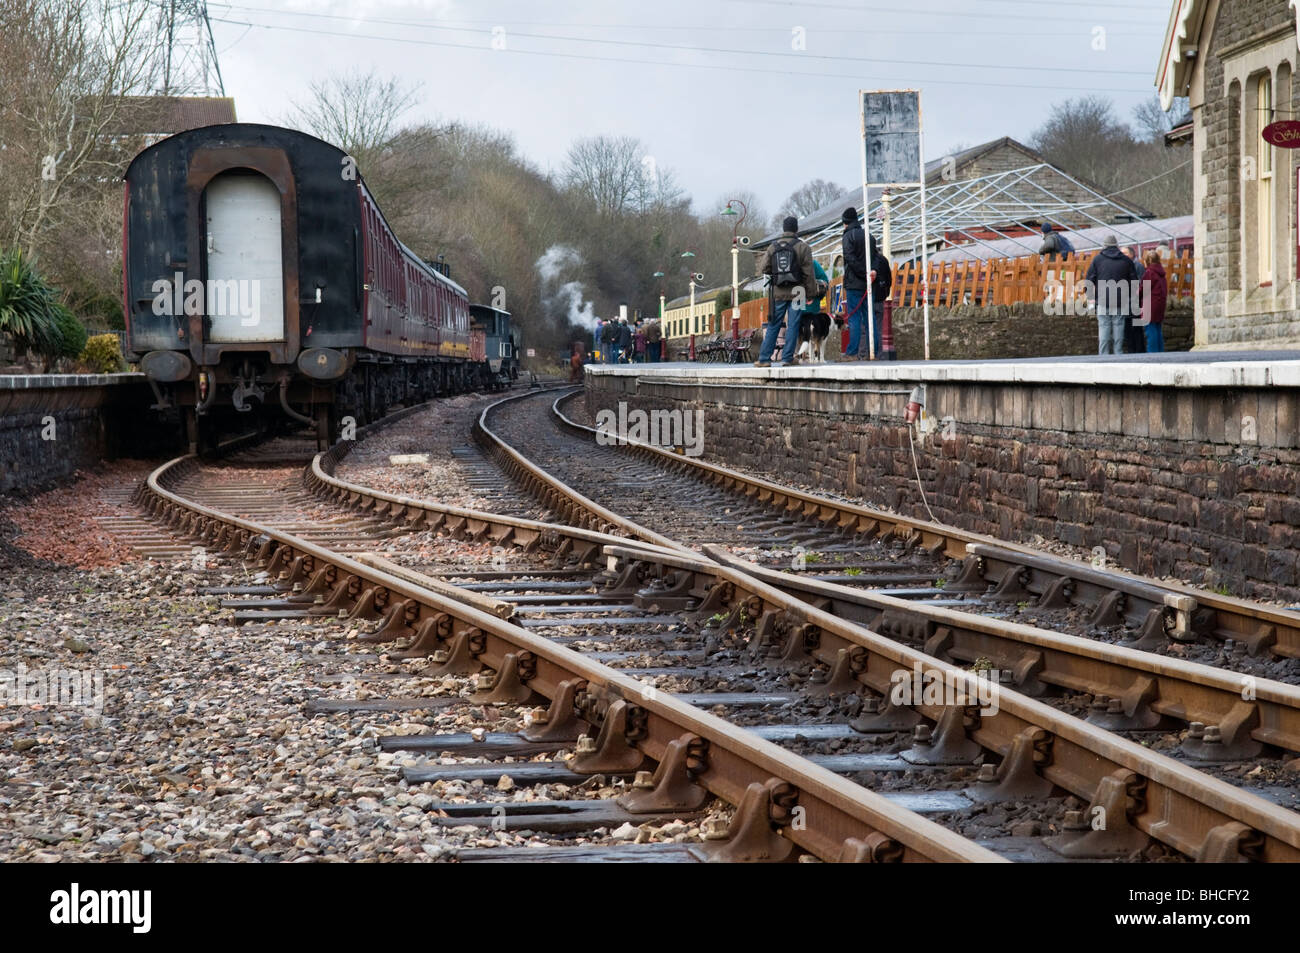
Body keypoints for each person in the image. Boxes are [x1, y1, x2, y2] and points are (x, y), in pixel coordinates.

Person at [755, 215, 819, 367]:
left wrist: (777, 275)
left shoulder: (773, 247)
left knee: (774, 324)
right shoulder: (803, 247)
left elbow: (764, 268)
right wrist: (811, 294)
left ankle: (764, 359)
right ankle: (788, 358)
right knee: (793, 324)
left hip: (778, 291)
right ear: (796, 229)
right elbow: (809, 273)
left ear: (783, 229)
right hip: (798, 290)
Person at [1085, 235, 1136, 355]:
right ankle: (1118, 355)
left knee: (1104, 328)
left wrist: (1090, 297)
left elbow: (1089, 280)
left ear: (1104, 246)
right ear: (1117, 246)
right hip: (1120, 300)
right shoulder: (1126, 260)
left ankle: (1103, 356)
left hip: (1103, 300)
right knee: (1119, 327)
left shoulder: (1097, 260)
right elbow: (1134, 281)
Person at [839, 207, 868, 361]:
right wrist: (867, 274)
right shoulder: (867, 235)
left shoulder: (848, 236)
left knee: (854, 318)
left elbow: (849, 258)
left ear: (845, 222)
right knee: (868, 318)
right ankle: (872, 351)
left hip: (854, 282)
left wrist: (860, 272)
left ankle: (852, 352)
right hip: (867, 283)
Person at [868, 233, 892, 358]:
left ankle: (867, 353)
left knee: (865, 327)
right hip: (880, 297)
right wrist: (885, 293)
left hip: (869, 297)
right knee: (879, 327)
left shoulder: (867, 260)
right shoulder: (883, 260)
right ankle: (879, 354)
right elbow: (889, 279)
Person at [1141, 249, 1167, 353]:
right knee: (1157, 329)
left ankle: (1152, 353)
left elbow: (1144, 289)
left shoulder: (1149, 273)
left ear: (1147, 261)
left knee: (1150, 330)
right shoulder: (1162, 273)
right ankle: (1160, 351)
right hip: (1160, 304)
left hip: (1150, 304)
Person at [1124, 246, 1146, 354]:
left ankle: (1139, 352)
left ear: (1132, 254)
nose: (1123, 255)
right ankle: (1132, 352)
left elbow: (1142, 284)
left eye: (1126, 253)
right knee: (1128, 330)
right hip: (1126, 304)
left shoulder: (1138, 266)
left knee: (1137, 330)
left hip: (1135, 303)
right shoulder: (1124, 265)